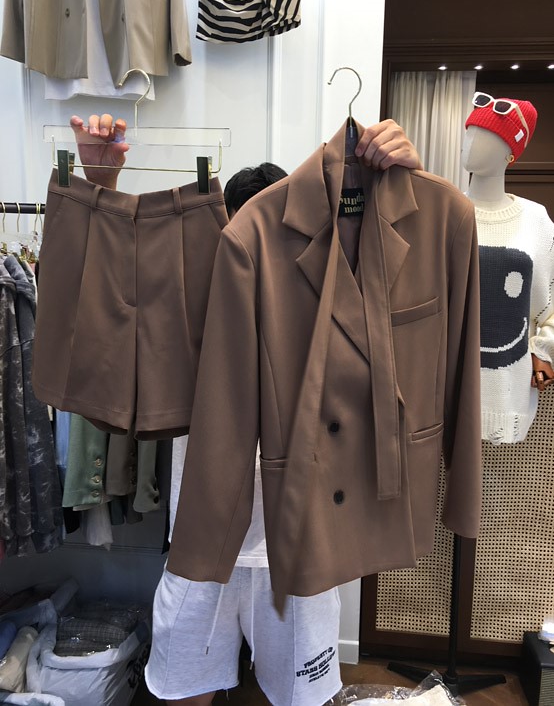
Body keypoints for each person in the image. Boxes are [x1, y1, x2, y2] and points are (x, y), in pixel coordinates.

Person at [70, 113, 423, 706]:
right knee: (181, 694)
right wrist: (99, 184)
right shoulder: (193, 308)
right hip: (202, 545)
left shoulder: (336, 294)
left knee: (302, 700)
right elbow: (108, 314)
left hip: (303, 545)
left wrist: (402, 183)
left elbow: (403, 300)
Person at [461, 92, 554, 445]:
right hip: (445, 392)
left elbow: (549, 303)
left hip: (507, 397)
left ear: (510, 153)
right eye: (469, 133)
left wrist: (544, 350)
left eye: (487, 137)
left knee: (505, 480)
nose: (471, 144)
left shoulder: (535, 220)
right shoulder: (444, 212)